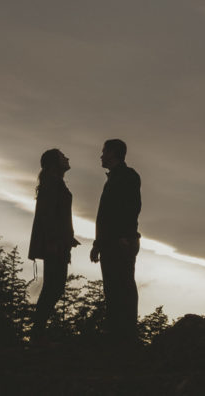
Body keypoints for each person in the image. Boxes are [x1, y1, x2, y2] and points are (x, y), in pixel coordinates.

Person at [90, 137, 141, 343]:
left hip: (121, 241)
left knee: (124, 286)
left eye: (104, 152)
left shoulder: (128, 176)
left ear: (113, 153)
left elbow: (132, 208)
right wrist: (97, 244)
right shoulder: (112, 179)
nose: (101, 156)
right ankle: (115, 334)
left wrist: (123, 236)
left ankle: (127, 335)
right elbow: (104, 216)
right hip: (110, 242)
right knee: (112, 288)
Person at [27, 148, 78, 342]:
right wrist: (53, 241)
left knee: (54, 287)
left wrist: (67, 237)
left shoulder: (54, 182)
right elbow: (47, 216)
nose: (67, 157)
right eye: (63, 156)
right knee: (53, 288)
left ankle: (38, 332)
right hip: (55, 245)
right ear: (55, 162)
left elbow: (54, 215)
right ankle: (37, 333)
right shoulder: (52, 183)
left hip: (58, 243)